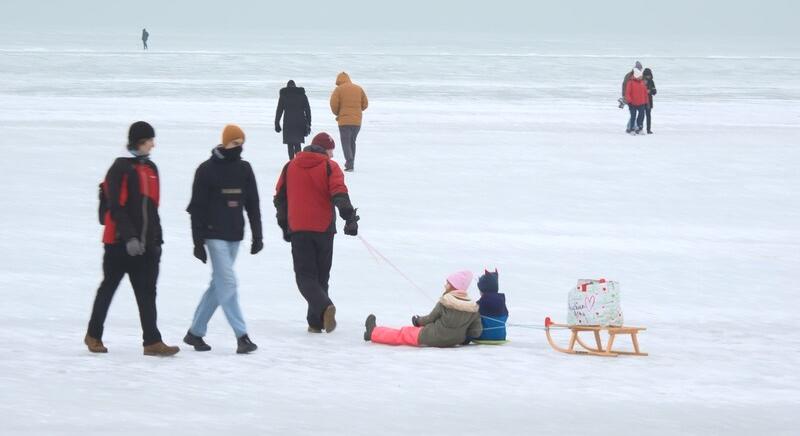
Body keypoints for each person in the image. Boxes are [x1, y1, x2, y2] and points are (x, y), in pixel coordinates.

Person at [85, 121, 179, 356]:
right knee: (108, 289)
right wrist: (129, 238)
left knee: (147, 292)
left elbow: (153, 209)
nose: (153, 145)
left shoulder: (151, 169)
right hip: (119, 244)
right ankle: (93, 335)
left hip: (146, 246)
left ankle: (152, 342)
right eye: (149, 141)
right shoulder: (120, 169)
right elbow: (117, 208)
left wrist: (156, 241)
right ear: (139, 142)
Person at [184, 124, 262, 354]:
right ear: (225, 143)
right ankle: (242, 336)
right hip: (213, 235)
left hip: (235, 235)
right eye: (235, 144)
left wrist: (257, 235)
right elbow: (196, 209)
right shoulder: (206, 170)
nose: (239, 148)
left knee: (219, 285)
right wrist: (198, 242)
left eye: (241, 144)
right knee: (228, 283)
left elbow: (253, 205)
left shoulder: (244, 169)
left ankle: (195, 332)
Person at [273, 132, 360, 333]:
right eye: (331, 149)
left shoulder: (290, 166)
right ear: (325, 149)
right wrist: (350, 219)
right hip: (323, 229)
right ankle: (322, 311)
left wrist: (284, 224)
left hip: (299, 229)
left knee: (305, 277)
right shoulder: (330, 167)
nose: (332, 154)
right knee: (320, 277)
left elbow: (280, 199)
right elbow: (339, 193)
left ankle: (316, 321)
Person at [363, 271, 483, 347]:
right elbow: (476, 332)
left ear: (454, 287)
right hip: (454, 341)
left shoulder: (446, 301)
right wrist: (461, 336)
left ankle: (373, 333)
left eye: (448, 283)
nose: (445, 285)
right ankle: (374, 333)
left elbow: (430, 319)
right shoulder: (472, 308)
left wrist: (417, 321)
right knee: (408, 332)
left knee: (402, 333)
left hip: (432, 337)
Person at [329, 72, 368, 172]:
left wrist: (338, 113)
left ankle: (349, 163)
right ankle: (351, 163)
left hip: (344, 122)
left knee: (345, 142)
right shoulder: (358, 88)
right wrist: (357, 111)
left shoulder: (338, 90)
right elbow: (365, 104)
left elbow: (333, 104)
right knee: (352, 142)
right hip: (357, 122)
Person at [275, 80, 312, 160]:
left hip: (288, 122)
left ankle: (291, 161)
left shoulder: (284, 95)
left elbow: (279, 110)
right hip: (300, 122)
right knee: (297, 143)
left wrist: (277, 123)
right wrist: (309, 122)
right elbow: (308, 110)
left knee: (290, 144)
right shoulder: (302, 95)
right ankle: (298, 161)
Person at [474, 269, 509, 342]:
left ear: (483, 289)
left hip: (483, 337)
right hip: (500, 337)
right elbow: (506, 315)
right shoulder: (502, 302)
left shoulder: (481, 303)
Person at [625, 68, 649, 134]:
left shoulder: (642, 82)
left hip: (641, 103)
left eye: (641, 76)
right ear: (636, 75)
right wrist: (629, 101)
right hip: (632, 103)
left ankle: (640, 128)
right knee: (633, 116)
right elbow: (627, 92)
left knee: (641, 116)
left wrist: (646, 102)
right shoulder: (630, 82)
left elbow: (645, 93)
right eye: (640, 76)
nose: (641, 77)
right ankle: (632, 129)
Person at [643, 68, 657, 134]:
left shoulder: (652, 81)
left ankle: (648, 130)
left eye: (649, 75)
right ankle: (639, 128)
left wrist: (650, 91)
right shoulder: (641, 81)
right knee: (641, 116)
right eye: (646, 75)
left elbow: (655, 92)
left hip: (649, 101)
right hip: (642, 101)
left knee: (648, 116)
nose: (648, 76)